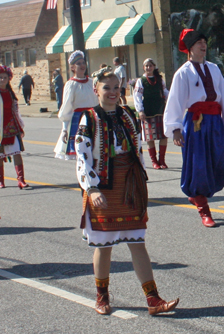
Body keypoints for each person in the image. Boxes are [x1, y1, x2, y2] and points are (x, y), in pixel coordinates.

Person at [75, 68, 179, 316]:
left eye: (116, 88)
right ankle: (102, 297)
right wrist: (91, 188)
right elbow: (82, 157)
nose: (112, 92)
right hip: (103, 186)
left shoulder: (128, 114)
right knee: (105, 245)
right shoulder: (89, 118)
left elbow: (137, 150)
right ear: (96, 90)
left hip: (129, 185)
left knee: (138, 242)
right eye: (106, 88)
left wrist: (141, 181)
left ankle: (153, 299)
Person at [164, 29, 224, 228]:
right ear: (190, 48)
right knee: (199, 165)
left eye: (204, 41)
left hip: (214, 121)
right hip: (196, 123)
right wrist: (176, 129)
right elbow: (175, 102)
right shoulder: (183, 73)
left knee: (219, 163)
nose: (203, 45)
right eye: (199, 42)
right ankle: (203, 206)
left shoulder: (214, 69)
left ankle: (198, 195)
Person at [0, 65, 30, 189]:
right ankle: (0, 180)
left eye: (5, 77)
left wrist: (20, 126)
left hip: (11, 126)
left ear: (9, 79)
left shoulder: (10, 93)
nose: (3, 80)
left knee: (17, 153)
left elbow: (15, 110)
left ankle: (21, 180)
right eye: (1, 77)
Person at [54, 50, 98, 160]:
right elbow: (67, 107)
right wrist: (64, 129)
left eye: (83, 63)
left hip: (93, 118)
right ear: (72, 67)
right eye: (79, 64)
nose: (82, 65)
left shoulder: (92, 82)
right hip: (79, 121)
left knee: (96, 152)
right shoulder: (71, 84)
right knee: (82, 154)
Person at [133, 58, 170, 169]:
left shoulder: (159, 79)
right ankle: (154, 161)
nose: (148, 68)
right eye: (146, 66)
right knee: (150, 137)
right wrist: (140, 110)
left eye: (150, 65)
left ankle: (162, 160)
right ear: (144, 68)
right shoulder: (141, 81)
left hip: (160, 109)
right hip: (148, 111)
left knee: (164, 135)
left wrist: (171, 102)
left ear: (154, 67)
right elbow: (137, 96)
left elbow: (165, 92)